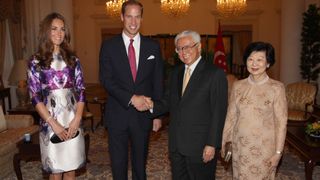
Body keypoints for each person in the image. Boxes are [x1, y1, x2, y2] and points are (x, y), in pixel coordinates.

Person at [141, 30, 228, 180]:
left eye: (188, 47)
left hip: (200, 146)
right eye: (179, 48)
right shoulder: (176, 73)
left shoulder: (214, 74)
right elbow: (169, 101)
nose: (183, 52)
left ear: (199, 47)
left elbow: (218, 112)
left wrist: (212, 144)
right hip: (176, 145)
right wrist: (151, 105)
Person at [99, 0, 164, 179]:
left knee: (140, 166)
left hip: (143, 116)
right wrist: (131, 98)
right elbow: (106, 80)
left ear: (142, 19)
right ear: (121, 17)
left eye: (137, 17)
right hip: (117, 115)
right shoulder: (108, 46)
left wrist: (156, 114)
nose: (133, 22)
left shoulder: (153, 47)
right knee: (118, 167)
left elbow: (158, 81)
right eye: (129, 16)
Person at [27, 12, 86, 180]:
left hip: (73, 118)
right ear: (46, 31)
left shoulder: (73, 59)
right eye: (54, 29)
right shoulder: (35, 62)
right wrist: (53, 124)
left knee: (71, 166)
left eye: (62, 29)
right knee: (56, 169)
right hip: (50, 120)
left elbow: (81, 90)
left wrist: (77, 119)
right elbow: (35, 96)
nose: (59, 33)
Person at [221, 42, 288, 180]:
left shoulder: (277, 88)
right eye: (250, 59)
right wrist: (225, 142)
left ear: (268, 63)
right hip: (240, 145)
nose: (254, 64)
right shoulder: (238, 86)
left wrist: (278, 152)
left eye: (259, 59)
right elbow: (231, 116)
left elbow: (281, 122)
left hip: (264, 148)